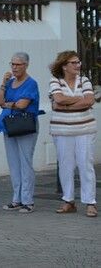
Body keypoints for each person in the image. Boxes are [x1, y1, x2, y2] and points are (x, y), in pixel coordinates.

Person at [0, 52, 40, 213]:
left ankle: (28, 200)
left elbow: (22, 105)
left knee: (25, 162)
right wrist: (3, 84)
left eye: (18, 64)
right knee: (14, 163)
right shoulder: (10, 83)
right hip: (9, 125)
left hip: (25, 125)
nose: (14, 67)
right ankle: (16, 199)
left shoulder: (31, 83)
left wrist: (6, 104)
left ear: (26, 65)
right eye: (12, 64)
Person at [48, 51, 97, 217]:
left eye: (78, 62)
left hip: (85, 129)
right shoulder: (55, 80)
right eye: (73, 63)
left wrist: (66, 105)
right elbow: (58, 99)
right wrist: (79, 100)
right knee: (65, 165)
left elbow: (89, 100)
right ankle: (68, 200)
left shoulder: (85, 80)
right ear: (64, 66)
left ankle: (90, 202)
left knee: (85, 164)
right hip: (62, 130)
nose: (78, 65)